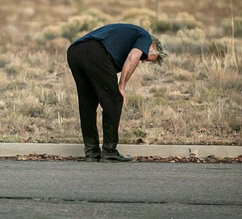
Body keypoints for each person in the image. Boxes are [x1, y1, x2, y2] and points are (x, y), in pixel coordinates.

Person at [67, 23, 167, 162]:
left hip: (74, 51)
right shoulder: (145, 37)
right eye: (146, 57)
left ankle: (91, 152)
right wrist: (121, 86)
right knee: (114, 100)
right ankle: (109, 152)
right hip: (95, 52)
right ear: (151, 46)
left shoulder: (126, 37)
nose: (143, 61)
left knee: (87, 104)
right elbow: (133, 57)